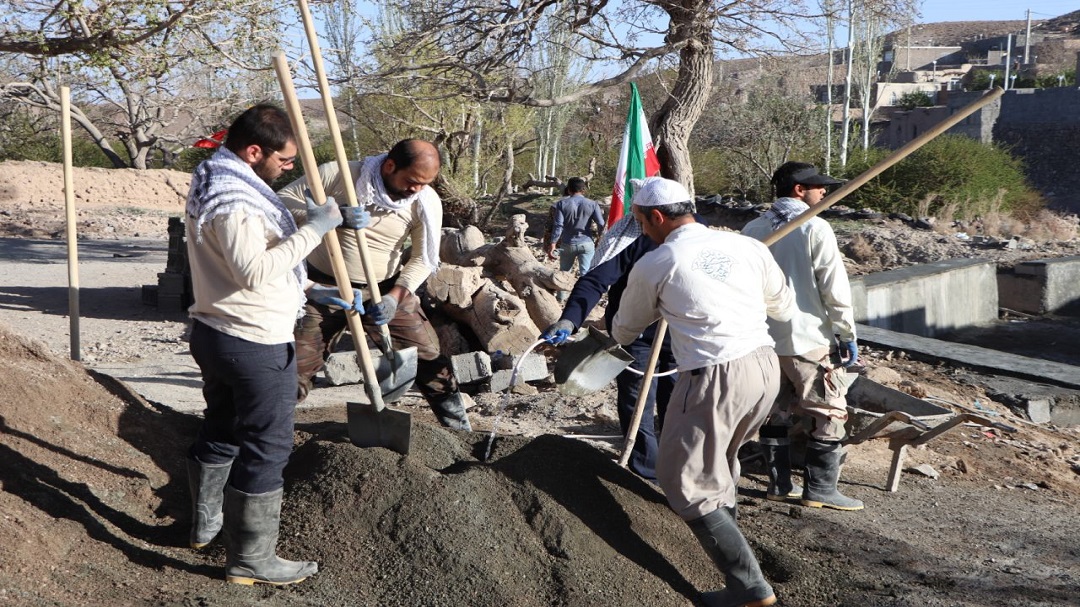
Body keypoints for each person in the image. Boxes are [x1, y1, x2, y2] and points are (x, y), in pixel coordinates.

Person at [184, 103, 367, 585]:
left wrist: (310, 289)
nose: (289, 168)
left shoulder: (220, 178)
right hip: (252, 340)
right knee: (269, 446)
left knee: (223, 427)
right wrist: (315, 229)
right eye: (285, 161)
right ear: (253, 151)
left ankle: (206, 526)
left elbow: (251, 261)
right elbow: (251, 271)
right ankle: (250, 559)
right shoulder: (237, 201)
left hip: (218, 331)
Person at [610, 177, 795, 607]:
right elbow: (782, 305)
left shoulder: (659, 262)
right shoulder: (747, 247)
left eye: (640, 223)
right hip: (765, 367)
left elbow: (624, 328)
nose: (642, 231)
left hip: (714, 373)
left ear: (656, 217)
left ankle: (750, 590)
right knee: (720, 463)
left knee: (684, 479)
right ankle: (737, 574)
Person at [277, 139, 472, 431]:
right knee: (295, 368)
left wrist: (394, 297)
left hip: (385, 288)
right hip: (322, 288)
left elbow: (422, 258)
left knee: (430, 360)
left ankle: (460, 431)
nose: (416, 189)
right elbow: (278, 204)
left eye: (425, 183)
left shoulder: (424, 202)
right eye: (412, 181)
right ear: (390, 166)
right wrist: (329, 218)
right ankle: (269, 433)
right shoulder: (338, 175)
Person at [540, 181, 691, 484]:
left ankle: (678, 473)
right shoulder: (635, 240)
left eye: (641, 218)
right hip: (634, 339)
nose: (639, 225)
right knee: (637, 405)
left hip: (684, 342)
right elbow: (595, 281)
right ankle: (645, 472)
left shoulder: (699, 245)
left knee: (679, 404)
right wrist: (569, 320)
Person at [741, 161, 863, 511]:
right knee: (829, 411)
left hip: (762, 340)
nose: (823, 191)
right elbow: (834, 287)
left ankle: (780, 485)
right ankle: (821, 490)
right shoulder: (815, 228)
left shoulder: (753, 228)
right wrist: (845, 333)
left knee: (774, 413)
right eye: (817, 186)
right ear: (798, 190)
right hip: (807, 339)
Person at [544, 177, 604, 282]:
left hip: (567, 243)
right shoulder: (593, 204)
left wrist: (553, 244)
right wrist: (600, 238)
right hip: (586, 243)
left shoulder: (561, 204)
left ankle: (561, 298)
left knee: (564, 273)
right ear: (583, 190)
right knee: (586, 273)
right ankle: (583, 296)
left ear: (568, 190)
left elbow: (558, 225)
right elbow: (601, 223)